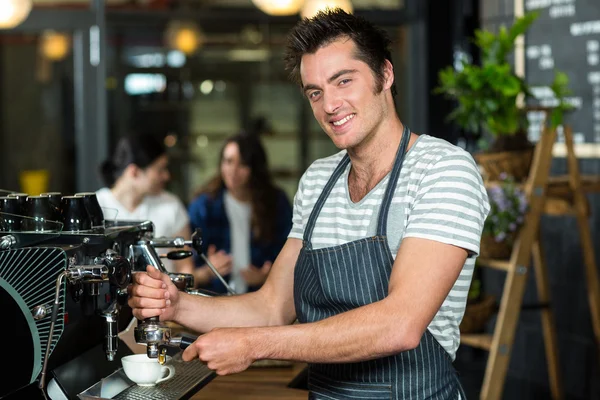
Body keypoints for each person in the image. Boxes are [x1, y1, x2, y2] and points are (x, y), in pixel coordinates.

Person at [129, 9, 490, 399]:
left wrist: (255, 345)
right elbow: (271, 308)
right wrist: (177, 305)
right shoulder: (319, 180)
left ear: (385, 75)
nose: (329, 105)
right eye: (315, 92)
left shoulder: (444, 170)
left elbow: (399, 325)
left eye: (343, 81)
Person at [185, 133, 293, 294]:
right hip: (214, 300)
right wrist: (208, 271)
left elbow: (292, 257)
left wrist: (268, 276)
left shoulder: (275, 203)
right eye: (228, 161)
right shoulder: (204, 206)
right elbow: (188, 274)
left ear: (255, 168)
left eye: (242, 164)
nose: (233, 171)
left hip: (262, 299)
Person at [96, 134, 194, 274]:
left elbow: (185, 268)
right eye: (160, 169)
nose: (166, 176)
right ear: (134, 172)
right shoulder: (97, 206)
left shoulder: (171, 205)